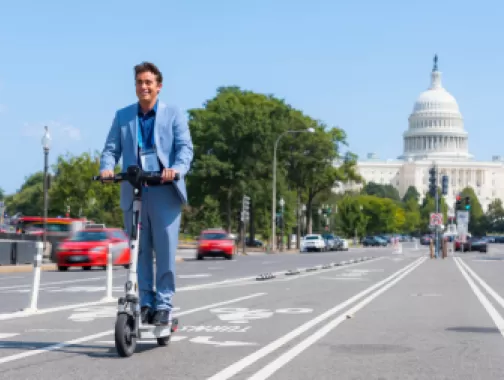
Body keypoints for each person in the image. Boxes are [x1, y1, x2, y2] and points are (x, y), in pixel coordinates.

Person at [99, 62, 193, 326]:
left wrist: (176, 169)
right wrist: (107, 168)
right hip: (134, 191)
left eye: (149, 82)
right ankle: (146, 303)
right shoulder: (123, 116)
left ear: (158, 86)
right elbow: (110, 149)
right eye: (140, 82)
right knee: (139, 251)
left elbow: (185, 149)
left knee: (164, 252)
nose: (144, 86)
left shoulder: (174, 114)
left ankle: (164, 305)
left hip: (164, 191)